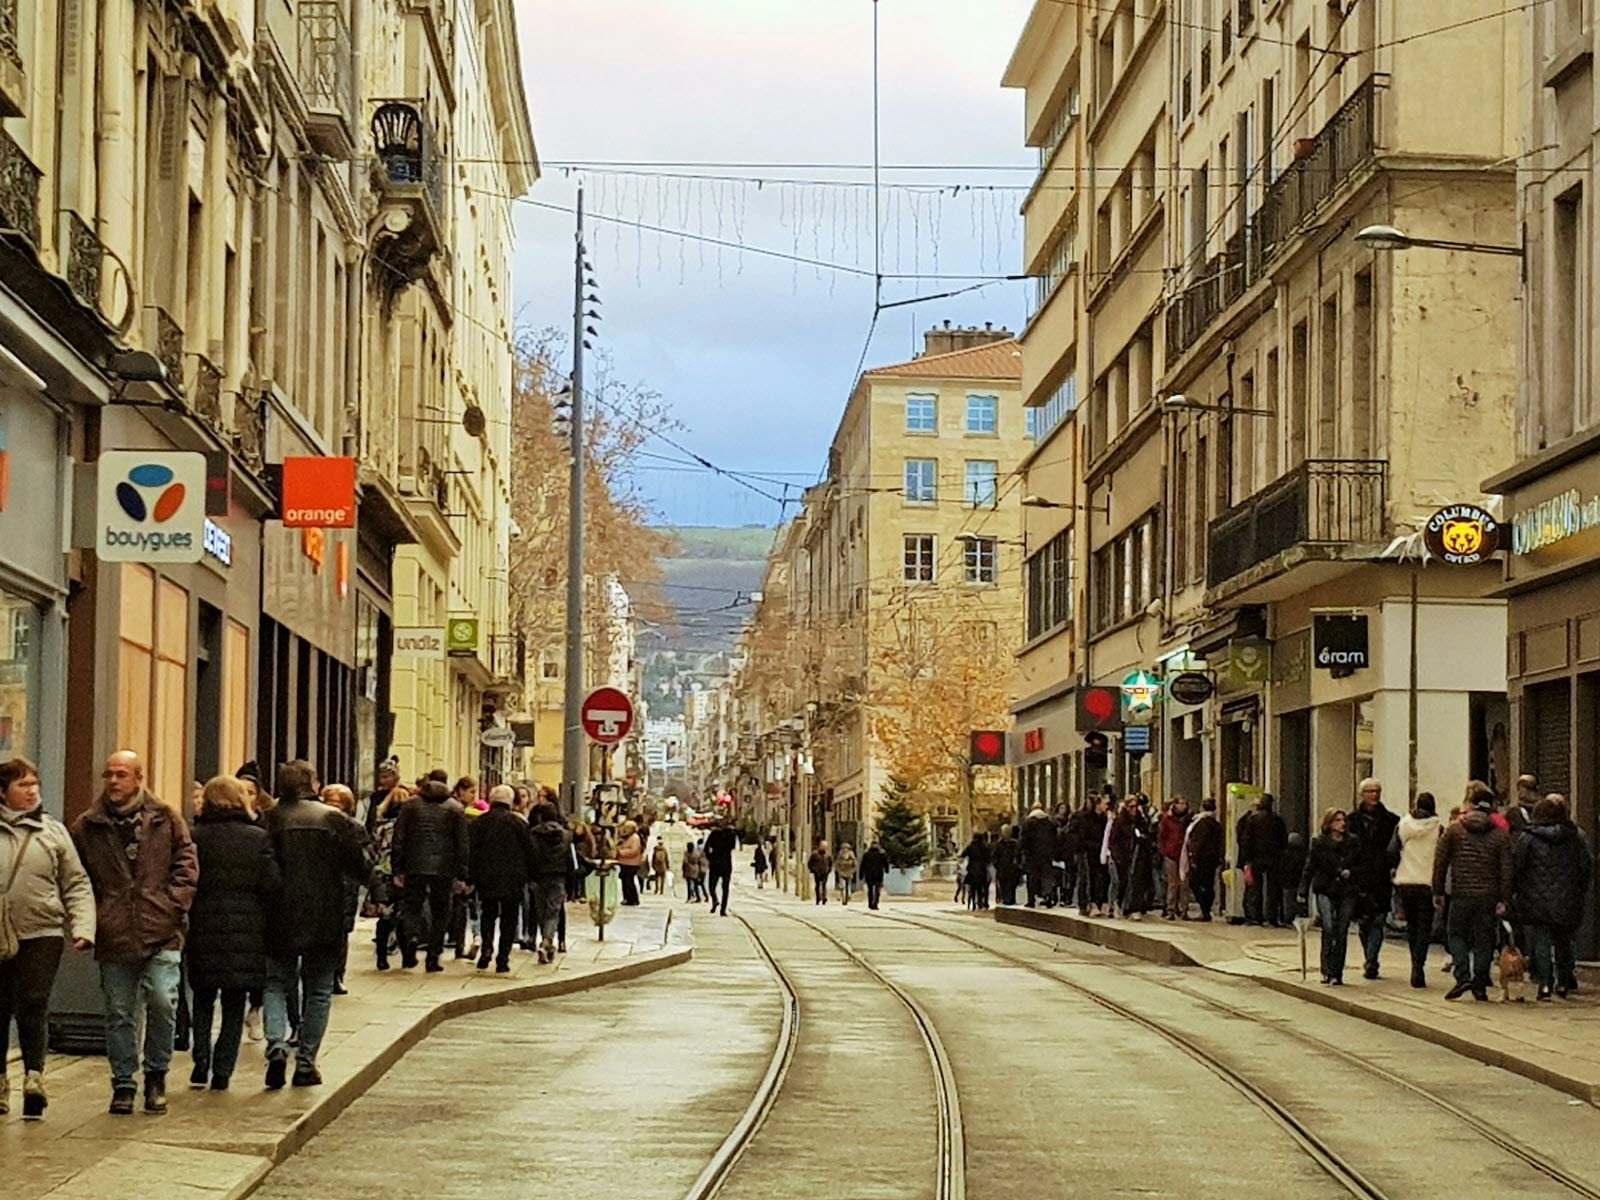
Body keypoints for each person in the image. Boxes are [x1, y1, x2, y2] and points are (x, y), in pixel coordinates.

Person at [73, 751, 197, 1116]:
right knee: (120, 1011)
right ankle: (124, 1081)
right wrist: (93, 918)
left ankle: (156, 1074)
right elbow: (78, 878)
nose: (113, 781)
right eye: (108, 774)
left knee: (162, 999)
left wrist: (172, 906)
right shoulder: (87, 826)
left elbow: (187, 865)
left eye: (121, 774)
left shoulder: (165, 818)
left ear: (138, 778)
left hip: (162, 928)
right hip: (114, 932)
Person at [262, 760, 369, 1089]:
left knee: (275, 983)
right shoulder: (333, 819)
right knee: (319, 990)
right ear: (313, 783)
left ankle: (277, 1043)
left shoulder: (270, 820)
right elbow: (359, 864)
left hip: (279, 914)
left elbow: (264, 869)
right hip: (325, 915)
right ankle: (306, 1064)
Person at [0, 757, 94, 1120]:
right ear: (4, 792)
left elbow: (76, 882)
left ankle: (34, 1077)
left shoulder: (52, 832)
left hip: (43, 931)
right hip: (2, 933)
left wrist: (83, 927)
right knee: (0, 1006)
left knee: (34, 1001)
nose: (32, 791)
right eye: (23, 785)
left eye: (34, 784)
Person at [187, 775, 279, 1092]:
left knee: (201, 996)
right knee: (234, 1002)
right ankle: (223, 1071)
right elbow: (271, 885)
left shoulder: (194, 836)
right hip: (247, 928)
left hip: (202, 925)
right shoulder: (257, 837)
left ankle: (200, 1062)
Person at [1432, 783, 1513, 1001]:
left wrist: (1437, 891)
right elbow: (1506, 869)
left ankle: (1462, 975)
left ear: (1471, 804)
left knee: (1456, 935)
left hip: (1461, 894)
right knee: (1484, 940)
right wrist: (1504, 898)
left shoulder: (1455, 829)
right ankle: (1479, 983)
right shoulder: (1500, 835)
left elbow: (1440, 862)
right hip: (1488, 895)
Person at [1514, 794, 1593, 1001]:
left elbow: (1518, 867)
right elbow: (1586, 866)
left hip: (1536, 898)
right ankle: (1563, 982)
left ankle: (1545, 984)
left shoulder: (1528, 838)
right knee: (1564, 941)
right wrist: (1579, 890)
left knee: (1541, 941)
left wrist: (1518, 891)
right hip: (1568, 898)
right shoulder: (1576, 836)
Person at [392, 777, 469, 972]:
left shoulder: (410, 805)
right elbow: (462, 844)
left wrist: (397, 868)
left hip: (414, 865)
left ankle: (411, 939)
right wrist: (462, 873)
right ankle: (433, 957)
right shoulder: (455, 808)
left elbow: (399, 838)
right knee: (441, 912)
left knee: (411, 906)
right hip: (444, 868)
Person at [467, 785, 535, 973]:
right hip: (513, 878)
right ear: (510, 802)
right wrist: (530, 876)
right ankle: (503, 958)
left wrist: (470, 877)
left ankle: (486, 950)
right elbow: (530, 851)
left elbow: (471, 852)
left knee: (487, 914)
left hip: (486, 877)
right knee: (509, 917)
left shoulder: (479, 823)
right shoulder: (518, 823)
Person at [1346, 777, 1400, 979]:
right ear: (1362, 794)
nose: (1374, 795)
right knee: (1363, 922)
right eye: (1370, 791)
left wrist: (1393, 867)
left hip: (1381, 876)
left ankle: (1371, 960)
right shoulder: (1352, 821)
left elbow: (1396, 850)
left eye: (1377, 791)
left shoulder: (1392, 821)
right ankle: (1369, 955)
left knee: (1378, 919)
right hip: (1360, 877)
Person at [1299, 809, 1360, 985]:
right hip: (1325, 889)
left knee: (1341, 930)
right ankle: (1326, 969)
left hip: (1346, 890)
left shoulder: (1352, 842)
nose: (1342, 824)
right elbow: (1310, 867)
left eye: (1343, 820)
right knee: (1328, 927)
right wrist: (1303, 890)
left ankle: (1337, 972)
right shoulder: (1319, 843)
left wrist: (1352, 872)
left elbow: (1361, 865)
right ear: (1329, 823)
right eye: (1337, 820)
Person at [1392, 792, 1443, 988]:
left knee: (1412, 925)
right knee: (1424, 926)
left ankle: (1414, 961)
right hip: (1427, 882)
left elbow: (1391, 851)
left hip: (1406, 881)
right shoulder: (1438, 828)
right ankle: (1419, 965)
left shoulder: (1403, 826)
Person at [363, 781, 409, 971]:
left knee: (385, 914)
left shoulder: (381, 827)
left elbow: (372, 848)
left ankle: (381, 954)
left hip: (382, 874)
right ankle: (407, 955)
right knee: (404, 913)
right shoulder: (408, 828)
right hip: (402, 873)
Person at [527, 803, 573, 963]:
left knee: (541, 911)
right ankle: (547, 942)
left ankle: (545, 941)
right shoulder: (566, 835)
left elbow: (531, 855)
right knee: (553, 912)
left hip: (538, 877)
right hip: (558, 876)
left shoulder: (533, 833)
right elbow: (569, 860)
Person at [1237, 793, 1288, 927]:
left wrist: (1245, 859)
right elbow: (1283, 840)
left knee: (1254, 888)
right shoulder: (1277, 820)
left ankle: (1255, 917)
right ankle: (1272, 917)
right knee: (1273, 889)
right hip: (1273, 858)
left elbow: (1246, 840)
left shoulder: (1252, 820)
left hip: (1255, 858)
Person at [1109, 798, 1154, 919]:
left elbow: (1149, 835)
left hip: (1138, 855)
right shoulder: (1119, 822)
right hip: (1124, 857)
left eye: (1136, 806)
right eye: (1131, 807)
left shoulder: (1142, 821)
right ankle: (1119, 903)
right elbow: (1113, 840)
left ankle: (1134, 908)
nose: (1134, 809)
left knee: (1137, 883)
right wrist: (1117, 855)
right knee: (1123, 882)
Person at [1181, 798, 1224, 921]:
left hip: (1202, 859)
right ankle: (1206, 910)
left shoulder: (1201, 823)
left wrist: (1193, 858)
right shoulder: (1216, 824)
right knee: (1208, 884)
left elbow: (1197, 843)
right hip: (1212, 859)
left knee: (1196, 883)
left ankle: (1205, 909)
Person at [1070, 797, 1111, 917]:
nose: (1106, 806)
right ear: (1097, 805)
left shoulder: (1103, 819)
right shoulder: (1085, 818)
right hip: (1088, 852)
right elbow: (1082, 838)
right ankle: (1087, 903)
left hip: (1100, 853)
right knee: (1088, 878)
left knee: (1101, 878)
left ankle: (1098, 903)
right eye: (1104, 804)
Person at [1157, 798, 1191, 919]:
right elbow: (1162, 836)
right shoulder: (1167, 819)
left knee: (1184, 882)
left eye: (1184, 803)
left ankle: (1184, 909)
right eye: (1180, 803)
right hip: (1171, 853)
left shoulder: (1188, 819)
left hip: (1184, 854)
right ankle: (1171, 908)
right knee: (1173, 882)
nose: (1182, 806)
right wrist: (1164, 851)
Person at [1020, 805, 1055, 908]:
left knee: (1032, 877)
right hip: (1047, 855)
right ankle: (1048, 896)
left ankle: (1031, 899)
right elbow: (1054, 839)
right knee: (1046, 876)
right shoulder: (1049, 823)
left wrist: (1024, 853)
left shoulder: (1028, 823)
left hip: (1032, 856)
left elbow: (1024, 840)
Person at [705, 818, 739, 916]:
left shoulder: (714, 834)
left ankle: (715, 900)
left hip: (715, 863)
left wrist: (710, 858)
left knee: (711, 886)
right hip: (726, 863)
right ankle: (723, 910)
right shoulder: (731, 834)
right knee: (725, 888)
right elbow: (733, 847)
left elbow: (706, 848)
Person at [365, 759, 402, 835]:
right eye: (380, 777)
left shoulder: (401, 794)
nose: (382, 781)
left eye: (386, 777)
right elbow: (370, 820)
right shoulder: (376, 796)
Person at [615, 820, 644, 906]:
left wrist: (621, 852)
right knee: (625, 880)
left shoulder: (635, 838)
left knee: (629, 881)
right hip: (624, 862)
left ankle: (633, 898)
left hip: (632, 863)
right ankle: (626, 898)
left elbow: (634, 850)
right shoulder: (625, 837)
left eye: (627, 828)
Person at [992, 824, 1021, 906]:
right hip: (1003, 869)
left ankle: (1011, 900)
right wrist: (998, 865)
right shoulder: (998, 845)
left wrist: (1017, 865)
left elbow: (1018, 855)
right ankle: (1005, 900)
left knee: (1012, 886)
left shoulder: (1015, 844)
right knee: (1004, 886)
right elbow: (994, 857)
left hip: (1012, 869)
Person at [959, 833, 989, 910]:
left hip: (972, 870)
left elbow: (963, 855)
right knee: (981, 887)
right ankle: (981, 902)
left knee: (972, 888)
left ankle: (973, 903)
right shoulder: (984, 847)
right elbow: (988, 858)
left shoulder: (970, 847)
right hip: (982, 869)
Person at [860, 840, 889, 910]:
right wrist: (886, 870)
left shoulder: (867, 854)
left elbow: (862, 865)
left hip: (869, 874)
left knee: (870, 890)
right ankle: (875, 903)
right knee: (877, 890)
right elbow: (886, 864)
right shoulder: (881, 854)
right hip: (879, 874)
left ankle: (870, 903)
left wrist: (861, 874)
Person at [808, 840, 832, 905]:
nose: (824, 848)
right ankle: (818, 898)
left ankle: (824, 898)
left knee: (824, 885)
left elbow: (830, 863)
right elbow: (810, 863)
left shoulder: (828, 855)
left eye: (825, 847)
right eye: (823, 846)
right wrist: (813, 870)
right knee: (818, 885)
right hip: (817, 872)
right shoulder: (815, 854)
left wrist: (829, 870)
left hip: (825, 872)